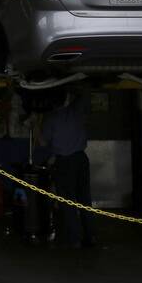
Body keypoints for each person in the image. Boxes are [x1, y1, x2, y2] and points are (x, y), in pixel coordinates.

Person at [39, 88, 96, 249]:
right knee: (85, 200)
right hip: (81, 158)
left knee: (68, 201)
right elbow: (82, 95)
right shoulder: (76, 112)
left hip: (64, 163)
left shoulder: (50, 118)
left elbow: (43, 142)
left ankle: (75, 239)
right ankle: (91, 236)